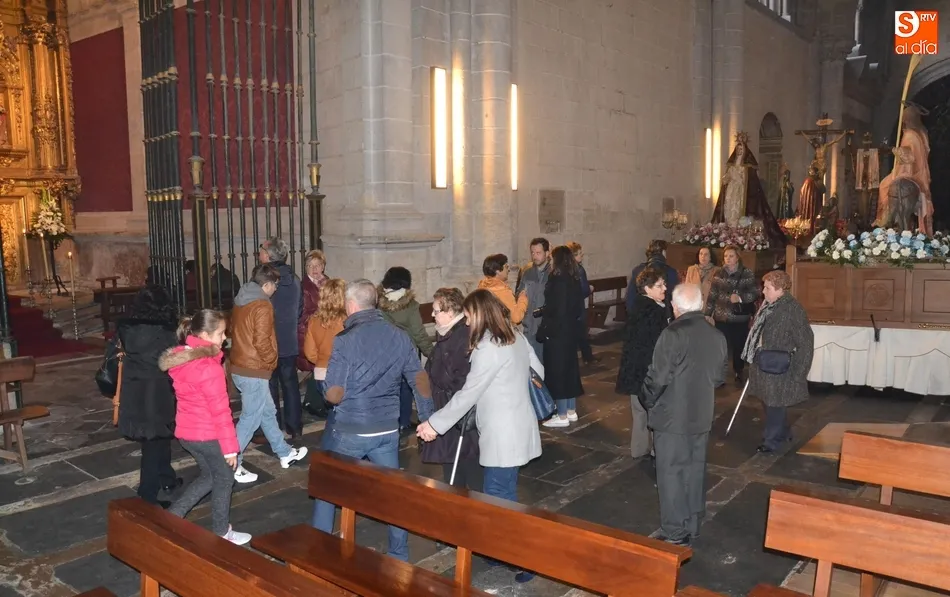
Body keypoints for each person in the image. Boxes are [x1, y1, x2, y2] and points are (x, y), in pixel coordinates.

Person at [417, 289, 542, 584]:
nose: (468, 321)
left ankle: (525, 558)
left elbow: (468, 394)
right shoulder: (515, 337)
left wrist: (434, 425)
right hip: (519, 426)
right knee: (501, 493)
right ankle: (500, 550)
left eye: (470, 316)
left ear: (481, 315)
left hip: (502, 434)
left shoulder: (489, 347)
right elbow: (539, 372)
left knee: (502, 499)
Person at [312, 279, 433, 562]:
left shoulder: (344, 340)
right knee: (393, 493)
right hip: (387, 429)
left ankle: (318, 548)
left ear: (351, 306)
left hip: (351, 429)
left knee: (327, 486)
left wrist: (326, 388)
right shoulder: (400, 336)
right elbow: (419, 379)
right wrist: (428, 418)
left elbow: (334, 395)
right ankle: (399, 554)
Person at [640, 284, 727, 547]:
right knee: (694, 470)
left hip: (671, 417)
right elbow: (720, 377)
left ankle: (675, 532)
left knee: (671, 474)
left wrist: (646, 399)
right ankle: (692, 523)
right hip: (701, 414)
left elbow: (658, 377)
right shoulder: (716, 335)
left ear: (676, 307)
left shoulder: (672, 334)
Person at [159, 309, 252, 545]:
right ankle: (222, 532)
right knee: (224, 479)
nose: (225, 338)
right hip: (207, 435)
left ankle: (172, 517)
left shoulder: (184, 358)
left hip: (187, 433)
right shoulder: (208, 368)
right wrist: (231, 449)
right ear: (205, 334)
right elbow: (220, 412)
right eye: (221, 334)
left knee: (210, 476)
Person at [229, 263, 308, 484]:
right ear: (266, 285)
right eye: (274, 286)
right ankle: (232, 462)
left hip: (240, 365)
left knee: (267, 412)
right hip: (254, 369)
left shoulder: (241, 299)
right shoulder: (262, 305)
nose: (276, 290)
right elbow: (262, 341)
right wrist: (271, 362)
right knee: (250, 418)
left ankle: (284, 453)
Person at [115, 285, 181, 507]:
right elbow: (173, 361)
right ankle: (147, 496)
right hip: (157, 393)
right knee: (154, 443)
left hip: (135, 391)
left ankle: (166, 477)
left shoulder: (128, 330)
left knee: (158, 439)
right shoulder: (164, 334)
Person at [744, 271, 814, 453]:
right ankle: (784, 431)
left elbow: (806, 342)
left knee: (774, 404)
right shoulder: (769, 305)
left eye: (767, 287)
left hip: (779, 366)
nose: (763, 291)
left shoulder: (792, 309)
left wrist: (800, 372)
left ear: (780, 289)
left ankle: (771, 441)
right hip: (765, 363)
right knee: (769, 402)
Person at [419, 288, 482, 491]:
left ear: (451, 312)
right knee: (454, 467)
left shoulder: (460, 337)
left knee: (465, 470)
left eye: (436, 311)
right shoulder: (448, 335)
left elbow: (461, 379)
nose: (432, 314)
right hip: (448, 413)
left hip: (459, 418)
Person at [615, 268, 671, 459]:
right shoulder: (655, 311)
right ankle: (658, 450)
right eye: (659, 285)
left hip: (634, 370)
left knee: (639, 412)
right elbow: (659, 345)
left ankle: (638, 450)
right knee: (654, 412)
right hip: (649, 371)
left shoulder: (637, 306)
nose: (665, 288)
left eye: (664, 284)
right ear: (647, 289)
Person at [378, 266, 434, 431]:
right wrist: (432, 353)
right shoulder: (410, 306)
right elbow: (419, 334)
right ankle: (403, 421)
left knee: (388, 387)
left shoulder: (377, 301)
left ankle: (388, 421)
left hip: (383, 353)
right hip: (405, 353)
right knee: (406, 388)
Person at [259, 237, 304, 437]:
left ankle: (274, 427)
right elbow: (300, 308)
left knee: (270, 387)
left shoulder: (264, 278)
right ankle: (295, 427)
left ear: (268, 255)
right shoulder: (294, 278)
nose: (259, 254)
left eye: (261, 250)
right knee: (290, 384)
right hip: (289, 340)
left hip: (269, 340)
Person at [711, 132, 787, 248]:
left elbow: (750, 183)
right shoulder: (731, 166)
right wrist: (725, 180)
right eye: (738, 149)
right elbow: (726, 178)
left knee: (739, 213)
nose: (739, 151)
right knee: (729, 211)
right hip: (731, 192)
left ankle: (739, 233)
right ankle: (729, 232)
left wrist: (739, 179)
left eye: (741, 149)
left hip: (742, 192)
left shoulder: (747, 167)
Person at [539, 246, 585, 428]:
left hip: (557, 333)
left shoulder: (557, 279)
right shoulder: (573, 278)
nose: (549, 260)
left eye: (551, 257)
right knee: (569, 370)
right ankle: (571, 410)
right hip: (570, 331)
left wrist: (546, 330)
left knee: (557, 373)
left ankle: (562, 413)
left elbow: (557, 309)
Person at [704, 245, 759, 383]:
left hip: (739, 316)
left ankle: (738, 370)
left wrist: (740, 298)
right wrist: (708, 313)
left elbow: (755, 293)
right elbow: (712, 294)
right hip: (721, 315)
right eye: (726, 256)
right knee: (719, 345)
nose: (728, 259)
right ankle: (719, 374)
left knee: (738, 345)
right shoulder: (718, 273)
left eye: (731, 256)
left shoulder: (747, 273)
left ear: (737, 258)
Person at [302, 278, 347, 423]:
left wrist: (322, 359)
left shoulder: (314, 320)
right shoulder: (348, 320)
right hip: (343, 372)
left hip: (321, 372)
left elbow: (309, 353)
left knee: (332, 412)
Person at [298, 249, 329, 418]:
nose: (314, 269)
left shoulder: (328, 283)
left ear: (323, 266)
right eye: (310, 266)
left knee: (320, 367)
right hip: (312, 331)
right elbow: (302, 313)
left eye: (317, 265)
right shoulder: (304, 287)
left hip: (326, 331)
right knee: (318, 366)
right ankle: (315, 402)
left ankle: (313, 401)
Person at [517, 237, 551, 359]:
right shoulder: (527, 273)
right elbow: (519, 294)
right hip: (529, 326)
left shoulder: (553, 274)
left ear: (547, 253)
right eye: (532, 253)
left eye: (538, 253)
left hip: (545, 327)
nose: (535, 256)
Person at [566, 241, 596, 364]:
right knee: (581, 333)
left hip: (568, 308)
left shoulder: (564, 269)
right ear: (573, 255)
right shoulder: (579, 270)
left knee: (576, 334)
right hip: (578, 307)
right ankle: (587, 358)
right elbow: (583, 290)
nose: (581, 256)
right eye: (579, 254)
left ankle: (587, 356)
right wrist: (590, 289)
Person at [626, 239, 678, 309]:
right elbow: (675, 298)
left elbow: (630, 297)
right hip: (663, 314)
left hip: (640, 311)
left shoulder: (638, 270)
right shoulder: (671, 272)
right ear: (663, 252)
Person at [477, 253, 528, 324]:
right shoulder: (502, 291)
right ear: (497, 271)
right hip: (501, 331)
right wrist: (523, 299)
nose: (509, 270)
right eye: (506, 267)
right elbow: (516, 317)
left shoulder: (481, 288)